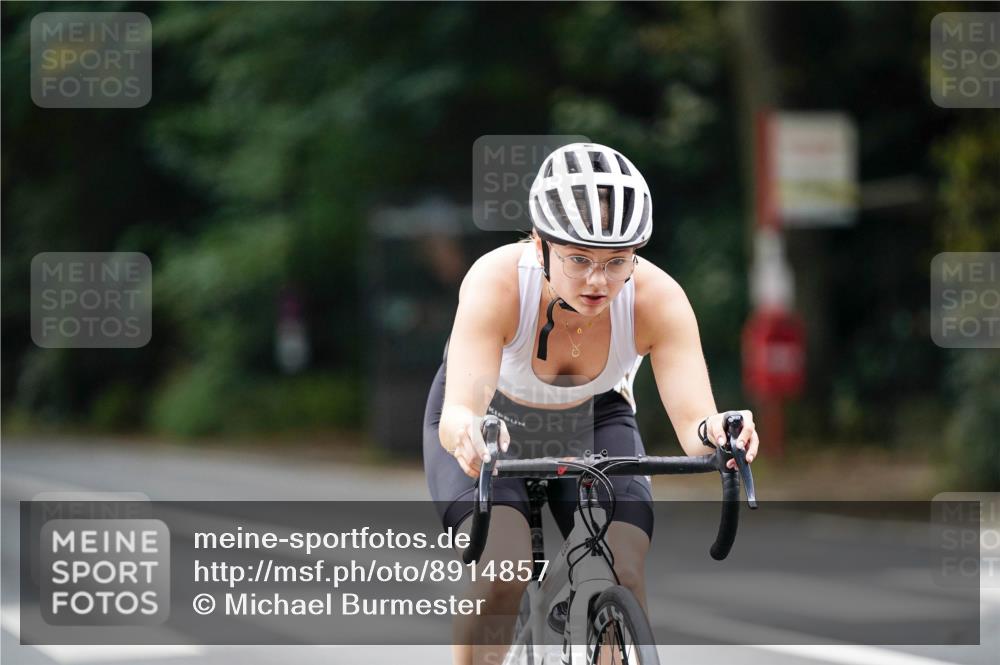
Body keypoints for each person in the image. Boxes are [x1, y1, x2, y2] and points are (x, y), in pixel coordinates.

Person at [422, 143, 759, 665]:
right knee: (503, 568)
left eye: (616, 261)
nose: (599, 281)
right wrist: (467, 431)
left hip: (594, 419)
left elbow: (696, 420)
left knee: (623, 565)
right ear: (540, 246)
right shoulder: (497, 282)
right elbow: (462, 406)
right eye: (579, 259)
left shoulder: (657, 299)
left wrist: (721, 433)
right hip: (492, 421)